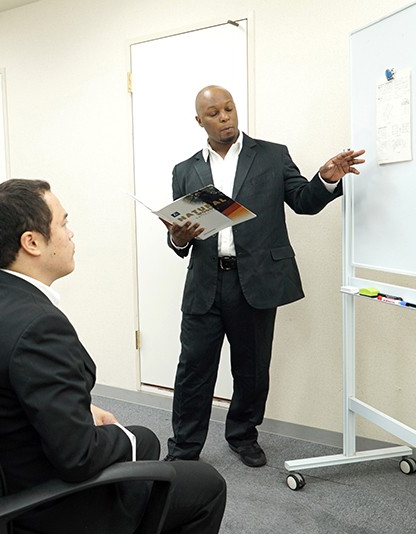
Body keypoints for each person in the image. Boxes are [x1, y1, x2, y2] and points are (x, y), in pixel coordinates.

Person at [0, 179, 226, 534]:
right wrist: (111, 432)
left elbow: (19, 388)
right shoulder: (39, 327)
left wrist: (80, 407)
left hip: (8, 465)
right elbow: (78, 457)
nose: (71, 234)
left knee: (144, 438)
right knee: (206, 483)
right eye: (63, 223)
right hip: (47, 506)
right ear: (32, 242)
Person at [164, 85, 365, 467]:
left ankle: (243, 435)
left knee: (252, 369)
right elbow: (178, 237)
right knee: (193, 369)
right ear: (199, 121)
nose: (224, 117)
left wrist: (326, 179)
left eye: (229, 108)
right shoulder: (184, 170)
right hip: (205, 283)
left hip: (255, 281)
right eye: (214, 113)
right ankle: (184, 448)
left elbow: (303, 202)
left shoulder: (272, 156)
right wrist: (178, 237)